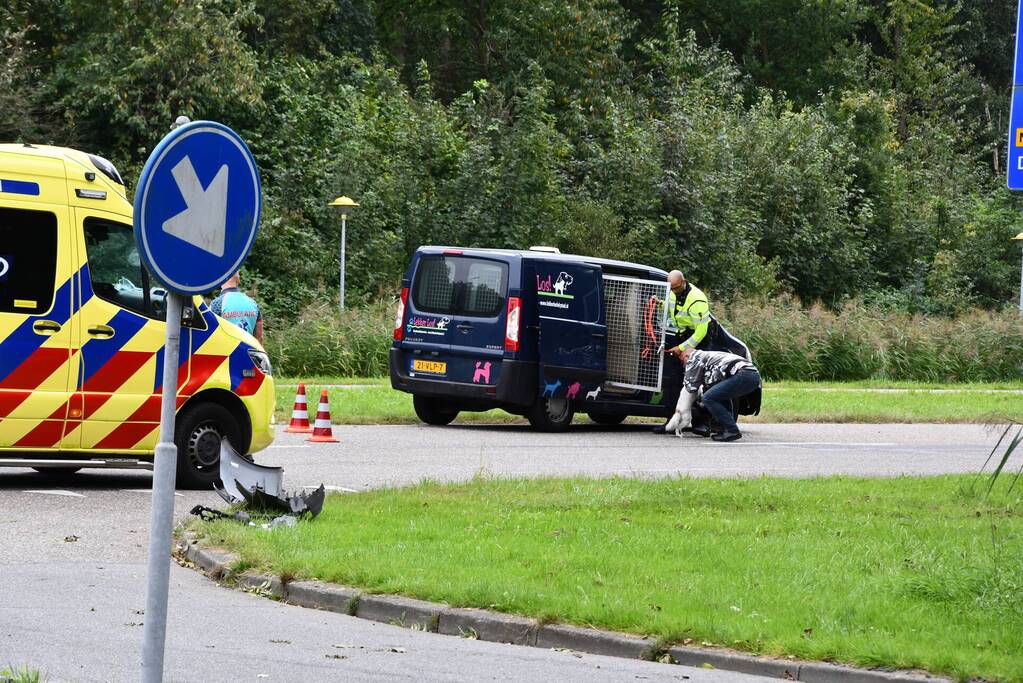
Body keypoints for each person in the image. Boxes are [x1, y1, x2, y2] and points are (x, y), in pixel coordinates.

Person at [654, 270, 713, 433]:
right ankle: (671, 422)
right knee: (674, 380)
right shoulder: (672, 292)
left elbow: (701, 332)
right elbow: (672, 307)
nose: (673, 291)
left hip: (699, 339)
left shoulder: (697, 299)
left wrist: (681, 348)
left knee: (697, 381)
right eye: (671, 288)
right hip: (682, 335)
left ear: (684, 282)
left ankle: (702, 424)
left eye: (676, 288)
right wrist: (660, 304)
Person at [672, 346, 761, 441]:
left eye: (682, 361)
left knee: (708, 398)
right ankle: (725, 429)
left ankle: (732, 430)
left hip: (744, 374)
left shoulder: (694, 357)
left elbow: (691, 387)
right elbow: (713, 380)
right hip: (752, 375)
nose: (683, 365)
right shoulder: (708, 356)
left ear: (686, 355)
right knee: (719, 396)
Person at [210, 272, 263, 343]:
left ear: (221, 279)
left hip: (227, 349)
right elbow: (259, 337)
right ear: (237, 279)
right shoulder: (253, 303)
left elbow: (210, 334)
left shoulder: (217, 303)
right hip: (248, 349)